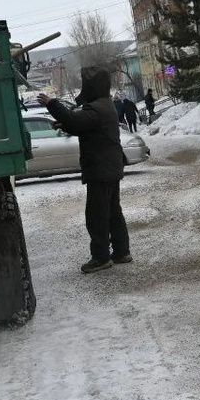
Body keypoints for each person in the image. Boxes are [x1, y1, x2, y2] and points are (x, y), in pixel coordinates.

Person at [39, 67, 131, 274]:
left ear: (92, 87)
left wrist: (52, 104)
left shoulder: (96, 108)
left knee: (97, 216)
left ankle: (101, 257)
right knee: (113, 212)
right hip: (110, 167)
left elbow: (76, 121)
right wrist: (64, 124)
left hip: (101, 169)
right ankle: (121, 252)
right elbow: (81, 126)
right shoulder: (105, 105)